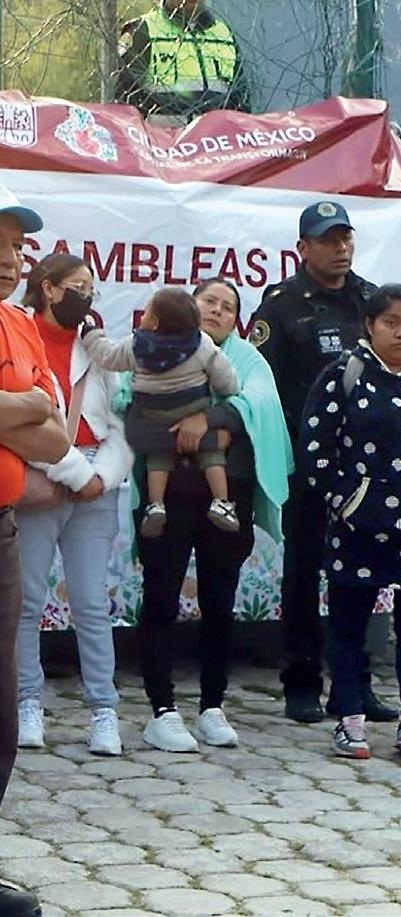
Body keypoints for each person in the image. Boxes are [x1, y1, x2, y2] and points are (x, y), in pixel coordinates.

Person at [121, 279, 291, 752]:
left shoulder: (246, 358)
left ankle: (212, 706)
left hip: (225, 500)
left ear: (237, 320)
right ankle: (162, 710)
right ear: (191, 307)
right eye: (209, 301)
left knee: (220, 601)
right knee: (160, 598)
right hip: (168, 495)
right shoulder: (153, 346)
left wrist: (209, 419)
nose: (217, 310)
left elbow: (260, 402)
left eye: (228, 306)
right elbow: (125, 394)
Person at [249, 200, 393, 724]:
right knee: (305, 572)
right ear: (303, 247)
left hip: (363, 466)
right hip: (308, 461)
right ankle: (301, 682)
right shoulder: (281, 306)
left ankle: (355, 686)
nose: (340, 248)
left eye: (345, 238)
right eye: (329, 240)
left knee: (361, 574)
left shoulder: (371, 300)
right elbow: (260, 385)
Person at [297, 285, 401, 760]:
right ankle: (349, 716)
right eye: (391, 323)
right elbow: (316, 450)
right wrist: (346, 500)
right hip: (357, 523)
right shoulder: (344, 376)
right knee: (348, 625)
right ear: (369, 325)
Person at [15, 255, 132, 758]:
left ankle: (104, 710)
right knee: (26, 602)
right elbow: (21, 426)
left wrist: (101, 476)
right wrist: (75, 474)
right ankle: (26, 703)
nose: (87, 297)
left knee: (91, 603)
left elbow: (124, 419)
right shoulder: (19, 337)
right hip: (42, 477)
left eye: (91, 288)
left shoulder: (97, 347)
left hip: (96, 485)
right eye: (78, 286)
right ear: (48, 288)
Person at [0, 187, 62, 917]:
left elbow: (55, 436)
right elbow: (36, 414)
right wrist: (25, 406)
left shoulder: (19, 323)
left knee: (1, 709)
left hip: (2, 530)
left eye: (17, 245)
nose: (10, 259)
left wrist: (21, 412)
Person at [81, 288, 240, 537]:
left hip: (153, 417)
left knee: (158, 457)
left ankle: (155, 505)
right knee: (212, 454)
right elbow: (224, 376)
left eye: (146, 312)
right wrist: (228, 392)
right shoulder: (202, 344)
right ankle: (222, 501)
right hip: (193, 409)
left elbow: (108, 357)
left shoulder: (137, 346)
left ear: (154, 323)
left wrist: (91, 335)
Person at [116, 0, 251, 120]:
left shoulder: (223, 33)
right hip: (163, 137)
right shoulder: (143, 30)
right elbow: (125, 101)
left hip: (215, 137)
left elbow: (241, 100)